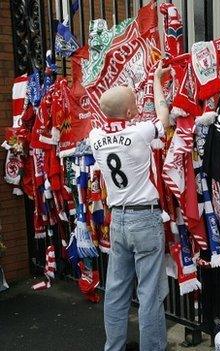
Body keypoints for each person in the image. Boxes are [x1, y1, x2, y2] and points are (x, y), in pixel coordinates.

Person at [89, 61, 171, 351]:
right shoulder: (139, 133)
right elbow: (165, 116)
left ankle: (114, 347)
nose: (138, 105)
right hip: (144, 218)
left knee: (115, 290)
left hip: (118, 220)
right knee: (149, 293)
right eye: (134, 103)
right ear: (127, 112)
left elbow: (102, 118)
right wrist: (157, 80)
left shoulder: (96, 138)